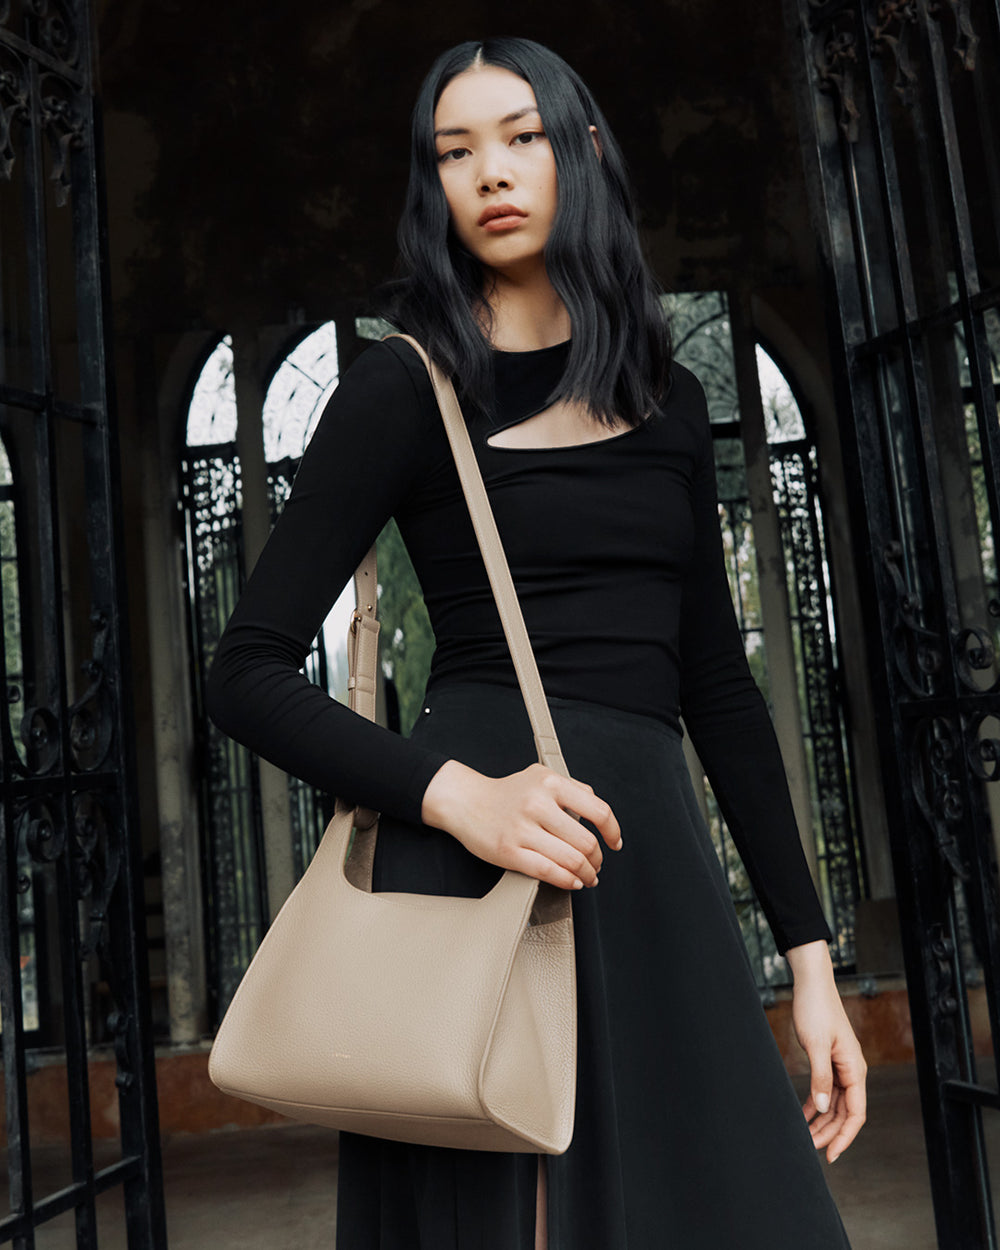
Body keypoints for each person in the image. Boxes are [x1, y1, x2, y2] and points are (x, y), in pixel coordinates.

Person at [206, 35, 866, 1250]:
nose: (491, 174)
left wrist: (809, 959)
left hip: (647, 860)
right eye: (455, 152)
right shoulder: (400, 387)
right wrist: (457, 798)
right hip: (471, 861)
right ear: (433, 186)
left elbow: (718, 689)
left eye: (520, 137)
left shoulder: (664, 396)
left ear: (583, 152)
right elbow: (241, 674)